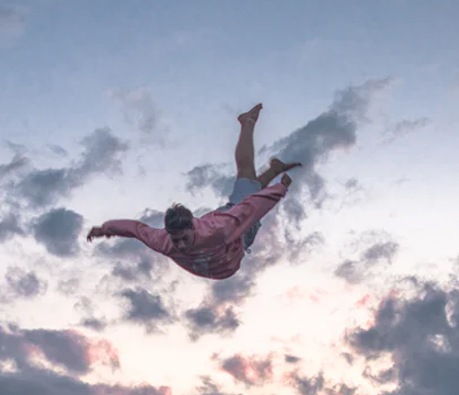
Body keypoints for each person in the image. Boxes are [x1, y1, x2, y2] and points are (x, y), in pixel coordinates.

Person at [86, 103, 301, 280]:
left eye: (183, 238)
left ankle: (247, 123)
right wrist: (105, 229)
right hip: (240, 246)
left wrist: (281, 188)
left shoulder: (220, 228)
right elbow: (136, 229)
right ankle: (274, 168)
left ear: (193, 228)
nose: (179, 245)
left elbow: (253, 208)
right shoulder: (164, 241)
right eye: (176, 239)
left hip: (238, 228)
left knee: (246, 173)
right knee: (249, 187)